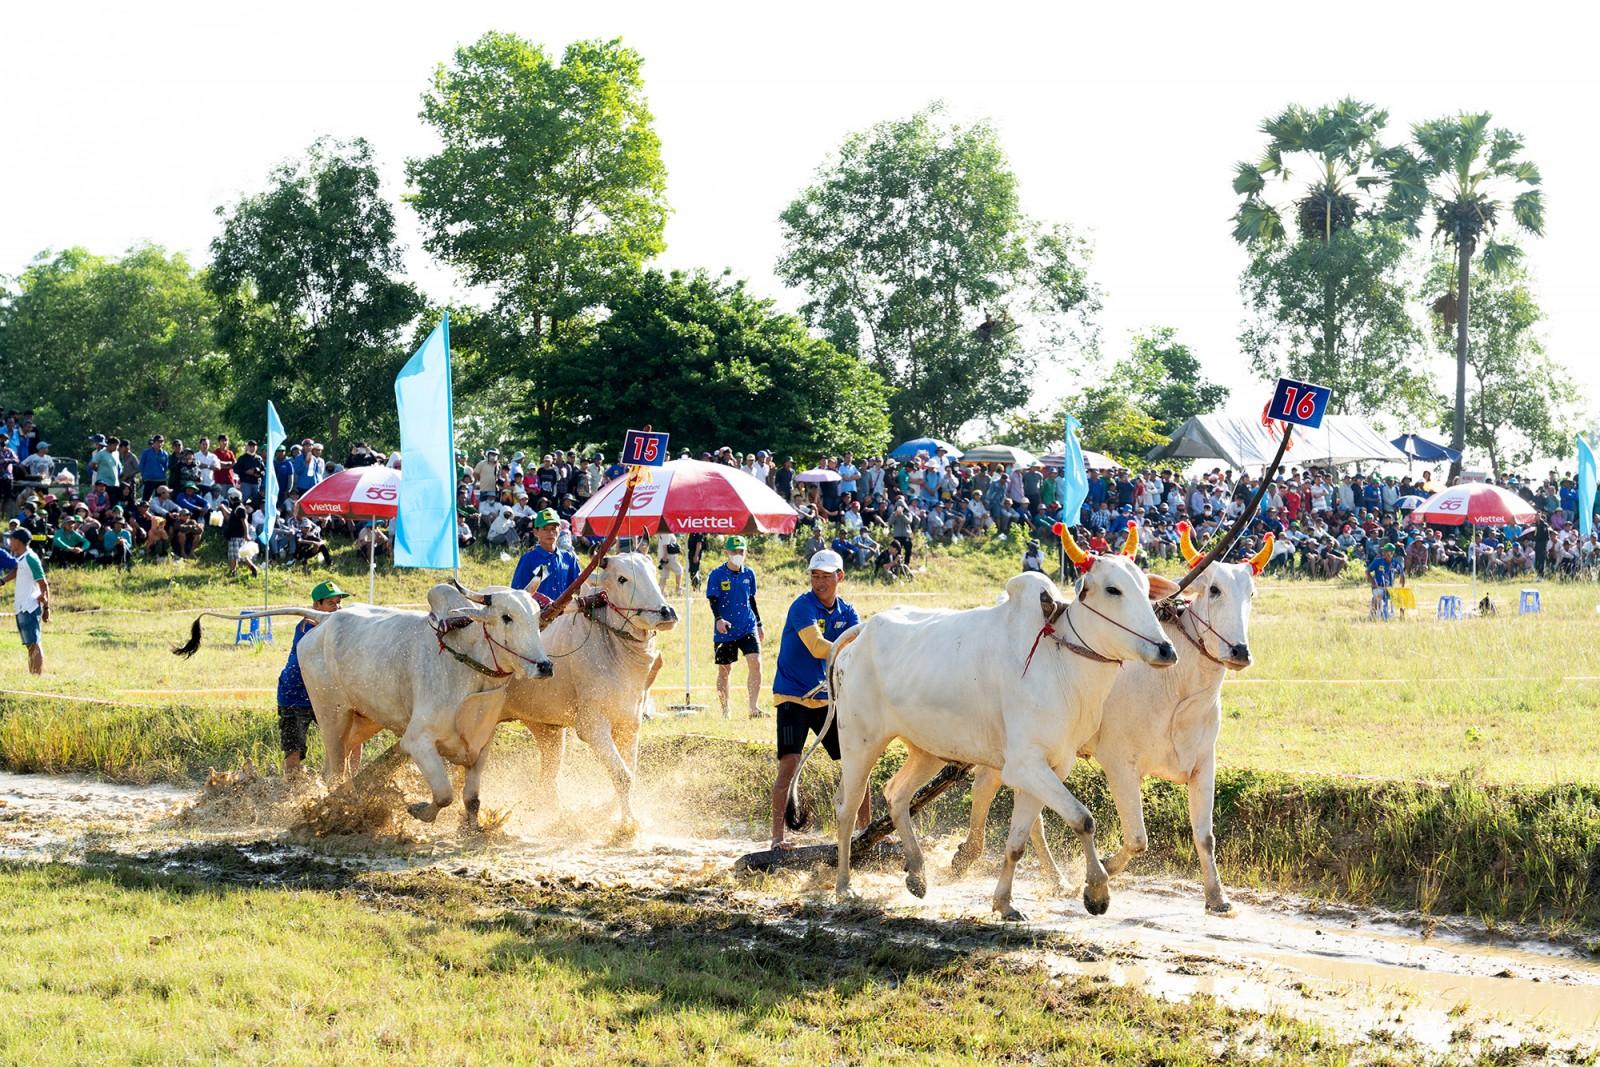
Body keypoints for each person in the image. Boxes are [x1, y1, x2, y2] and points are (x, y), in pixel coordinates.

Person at [769, 549, 867, 851]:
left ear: (840, 577)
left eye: (825, 576)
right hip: (793, 696)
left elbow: (860, 646)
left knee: (857, 762)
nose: (819, 582)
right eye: (814, 576)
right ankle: (777, 839)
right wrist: (852, 649)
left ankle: (867, 829)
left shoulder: (847, 612)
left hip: (827, 699)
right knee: (790, 764)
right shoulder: (802, 606)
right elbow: (815, 646)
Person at [278, 580, 352, 775]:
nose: (337, 608)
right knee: (294, 752)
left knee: (349, 741)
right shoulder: (307, 627)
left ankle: (346, 785)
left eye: (339, 603)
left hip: (326, 695)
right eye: (331, 603)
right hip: (295, 696)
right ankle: (293, 796)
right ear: (316, 606)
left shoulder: (338, 628)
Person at [705, 535, 764, 719]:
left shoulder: (749, 574)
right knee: (725, 670)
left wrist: (760, 624)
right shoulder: (717, 574)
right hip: (726, 629)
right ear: (726, 553)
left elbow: (751, 599)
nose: (738, 554)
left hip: (748, 625)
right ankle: (725, 710)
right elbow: (713, 599)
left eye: (741, 551)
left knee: (756, 663)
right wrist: (718, 619)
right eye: (734, 551)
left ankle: (753, 708)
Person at [0, 527, 50, 674]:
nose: (10, 542)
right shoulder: (22, 558)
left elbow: (43, 583)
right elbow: (17, 569)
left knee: (34, 643)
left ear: (18, 541)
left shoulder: (30, 558)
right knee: (29, 645)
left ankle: (36, 678)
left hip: (29, 606)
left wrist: (47, 607)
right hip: (21, 606)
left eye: (12, 539)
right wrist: (3, 581)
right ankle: (33, 675)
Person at [511, 508, 582, 604]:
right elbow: (517, 592)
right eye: (545, 529)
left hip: (564, 615)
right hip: (537, 615)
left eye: (553, 528)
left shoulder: (568, 558)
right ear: (536, 532)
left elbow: (578, 587)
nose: (550, 533)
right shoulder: (528, 559)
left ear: (560, 530)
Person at [1367, 542, 1404, 619]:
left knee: (1401, 597)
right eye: (1383, 551)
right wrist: (1373, 582)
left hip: (1390, 588)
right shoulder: (1377, 561)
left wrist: (1402, 587)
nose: (1384, 553)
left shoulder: (1396, 563)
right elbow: (1367, 572)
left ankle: (1402, 617)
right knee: (1378, 596)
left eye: (1386, 551)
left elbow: (1402, 574)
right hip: (1378, 586)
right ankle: (1373, 614)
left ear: (1392, 553)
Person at [656, 529, 684, 596]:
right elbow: (665, 545)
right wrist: (665, 556)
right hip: (668, 557)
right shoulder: (666, 532)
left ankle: (660, 592)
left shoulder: (663, 532)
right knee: (679, 570)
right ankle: (678, 589)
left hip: (663, 556)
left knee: (664, 575)